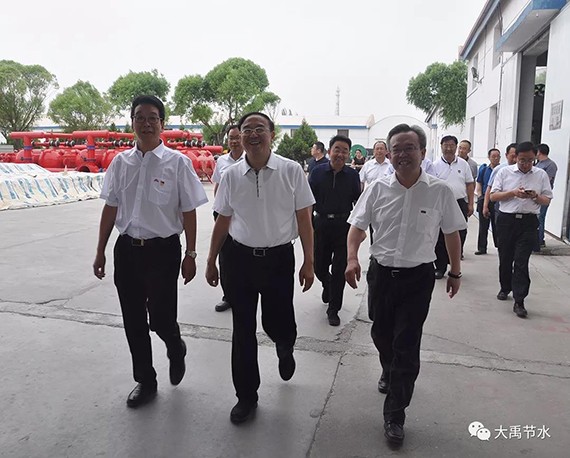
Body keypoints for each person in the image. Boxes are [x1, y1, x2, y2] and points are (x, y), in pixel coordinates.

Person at [345, 123, 466, 445]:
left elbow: (451, 233)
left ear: (422, 153)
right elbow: (356, 227)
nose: (402, 154)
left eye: (409, 148)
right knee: (381, 334)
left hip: (418, 278)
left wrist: (455, 272)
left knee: (407, 345)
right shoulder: (377, 189)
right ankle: (388, 367)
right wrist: (352, 258)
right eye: (396, 149)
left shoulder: (439, 191)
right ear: (388, 154)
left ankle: (395, 415)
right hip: (381, 275)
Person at [93, 95, 208, 408]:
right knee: (133, 320)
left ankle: (175, 345)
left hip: (163, 251)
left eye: (152, 118)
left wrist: (191, 254)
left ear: (162, 124)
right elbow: (110, 207)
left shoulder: (177, 163)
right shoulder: (120, 163)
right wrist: (100, 250)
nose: (146, 123)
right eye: (140, 117)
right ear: (132, 122)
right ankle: (145, 379)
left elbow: (189, 211)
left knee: (160, 319)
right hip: (127, 250)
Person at [205, 112, 315, 424]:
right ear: (239, 135)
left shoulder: (291, 171)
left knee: (277, 320)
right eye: (247, 129)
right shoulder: (230, 175)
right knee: (242, 329)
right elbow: (223, 220)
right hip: (239, 260)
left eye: (260, 129)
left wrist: (309, 261)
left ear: (271, 134)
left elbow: (304, 219)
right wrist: (211, 260)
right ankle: (246, 396)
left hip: (279, 259)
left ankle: (284, 344)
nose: (253, 134)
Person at [491, 142, 552, 318]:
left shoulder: (541, 175)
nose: (526, 164)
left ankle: (519, 300)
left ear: (535, 158)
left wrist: (535, 196)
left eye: (530, 160)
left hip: (528, 222)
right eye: (522, 160)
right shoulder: (504, 172)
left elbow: (547, 199)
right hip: (506, 221)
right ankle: (505, 287)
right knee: (505, 257)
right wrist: (513, 193)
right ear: (515, 157)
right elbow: (494, 196)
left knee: (521, 261)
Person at [309, 135, 361, 326]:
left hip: (343, 227)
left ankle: (333, 309)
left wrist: (359, 227)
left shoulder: (352, 175)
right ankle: (327, 283)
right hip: (321, 224)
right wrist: (307, 225)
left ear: (348, 155)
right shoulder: (317, 172)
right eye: (337, 149)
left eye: (344, 151)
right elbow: (307, 201)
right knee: (319, 267)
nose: (340, 154)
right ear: (330, 151)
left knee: (340, 270)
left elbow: (358, 202)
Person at [211, 125, 245, 312]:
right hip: (224, 213)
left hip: (243, 215)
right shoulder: (222, 161)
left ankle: (243, 293)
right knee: (225, 256)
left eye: (237, 137)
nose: (234, 141)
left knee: (242, 255)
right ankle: (228, 296)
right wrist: (217, 207)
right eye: (231, 138)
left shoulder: (249, 159)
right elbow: (217, 185)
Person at [433, 135, 474, 275]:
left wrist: (470, 204)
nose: (449, 148)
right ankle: (440, 266)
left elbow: (469, 184)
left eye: (451, 145)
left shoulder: (463, 164)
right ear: (441, 146)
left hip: (459, 202)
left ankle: (455, 266)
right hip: (440, 204)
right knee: (440, 235)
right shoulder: (435, 165)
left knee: (460, 232)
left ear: (456, 147)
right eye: (446, 145)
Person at [474, 148, 501, 255]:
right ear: (489, 157)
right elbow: (479, 182)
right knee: (483, 225)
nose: (496, 158)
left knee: (497, 225)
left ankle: (499, 246)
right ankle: (482, 247)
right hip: (485, 199)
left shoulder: (502, 170)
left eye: (498, 156)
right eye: (493, 156)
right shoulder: (484, 169)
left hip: (497, 200)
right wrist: (480, 196)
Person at [482, 143, 518, 222]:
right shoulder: (500, 169)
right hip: (501, 209)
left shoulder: (527, 171)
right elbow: (489, 187)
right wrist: (485, 206)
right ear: (506, 155)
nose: (515, 160)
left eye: (517, 156)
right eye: (512, 156)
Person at [534, 143, 558, 251]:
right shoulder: (538, 164)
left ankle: (539, 241)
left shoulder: (550, 165)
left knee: (540, 217)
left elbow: (547, 181)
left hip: (543, 195)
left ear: (539, 152)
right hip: (534, 195)